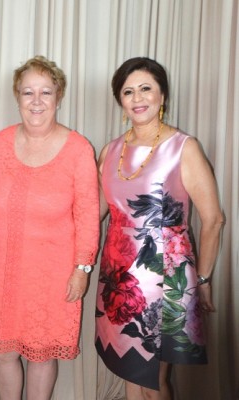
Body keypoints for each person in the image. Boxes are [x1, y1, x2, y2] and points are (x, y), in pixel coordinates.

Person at [95, 57, 224, 400]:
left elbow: (213, 219)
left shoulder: (184, 148)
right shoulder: (110, 151)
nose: (138, 98)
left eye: (146, 88)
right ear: (120, 100)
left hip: (164, 280)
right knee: (129, 371)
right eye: (128, 91)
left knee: (153, 381)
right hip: (117, 281)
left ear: (162, 95)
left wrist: (205, 279)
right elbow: (93, 214)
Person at [0, 55, 100, 399]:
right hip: (3, 270)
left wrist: (82, 267)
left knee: (42, 354)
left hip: (54, 272)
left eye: (45, 92)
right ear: (17, 97)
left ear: (58, 97)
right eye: (28, 92)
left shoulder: (78, 149)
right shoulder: (0, 143)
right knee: (2, 352)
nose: (36, 101)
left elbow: (89, 215)